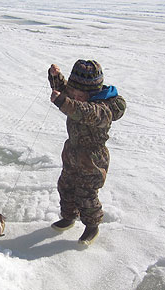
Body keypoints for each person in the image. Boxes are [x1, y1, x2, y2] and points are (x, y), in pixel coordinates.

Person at [48, 60, 126, 245]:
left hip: (92, 159)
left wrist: (63, 101)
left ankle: (92, 226)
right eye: (72, 93)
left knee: (86, 194)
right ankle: (68, 217)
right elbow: (66, 90)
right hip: (71, 152)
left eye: (78, 94)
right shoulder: (76, 96)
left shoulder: (102, 109)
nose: (74, 96)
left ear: (92, 93)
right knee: (65, 186)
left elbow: (84, 112)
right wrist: (56, 77)